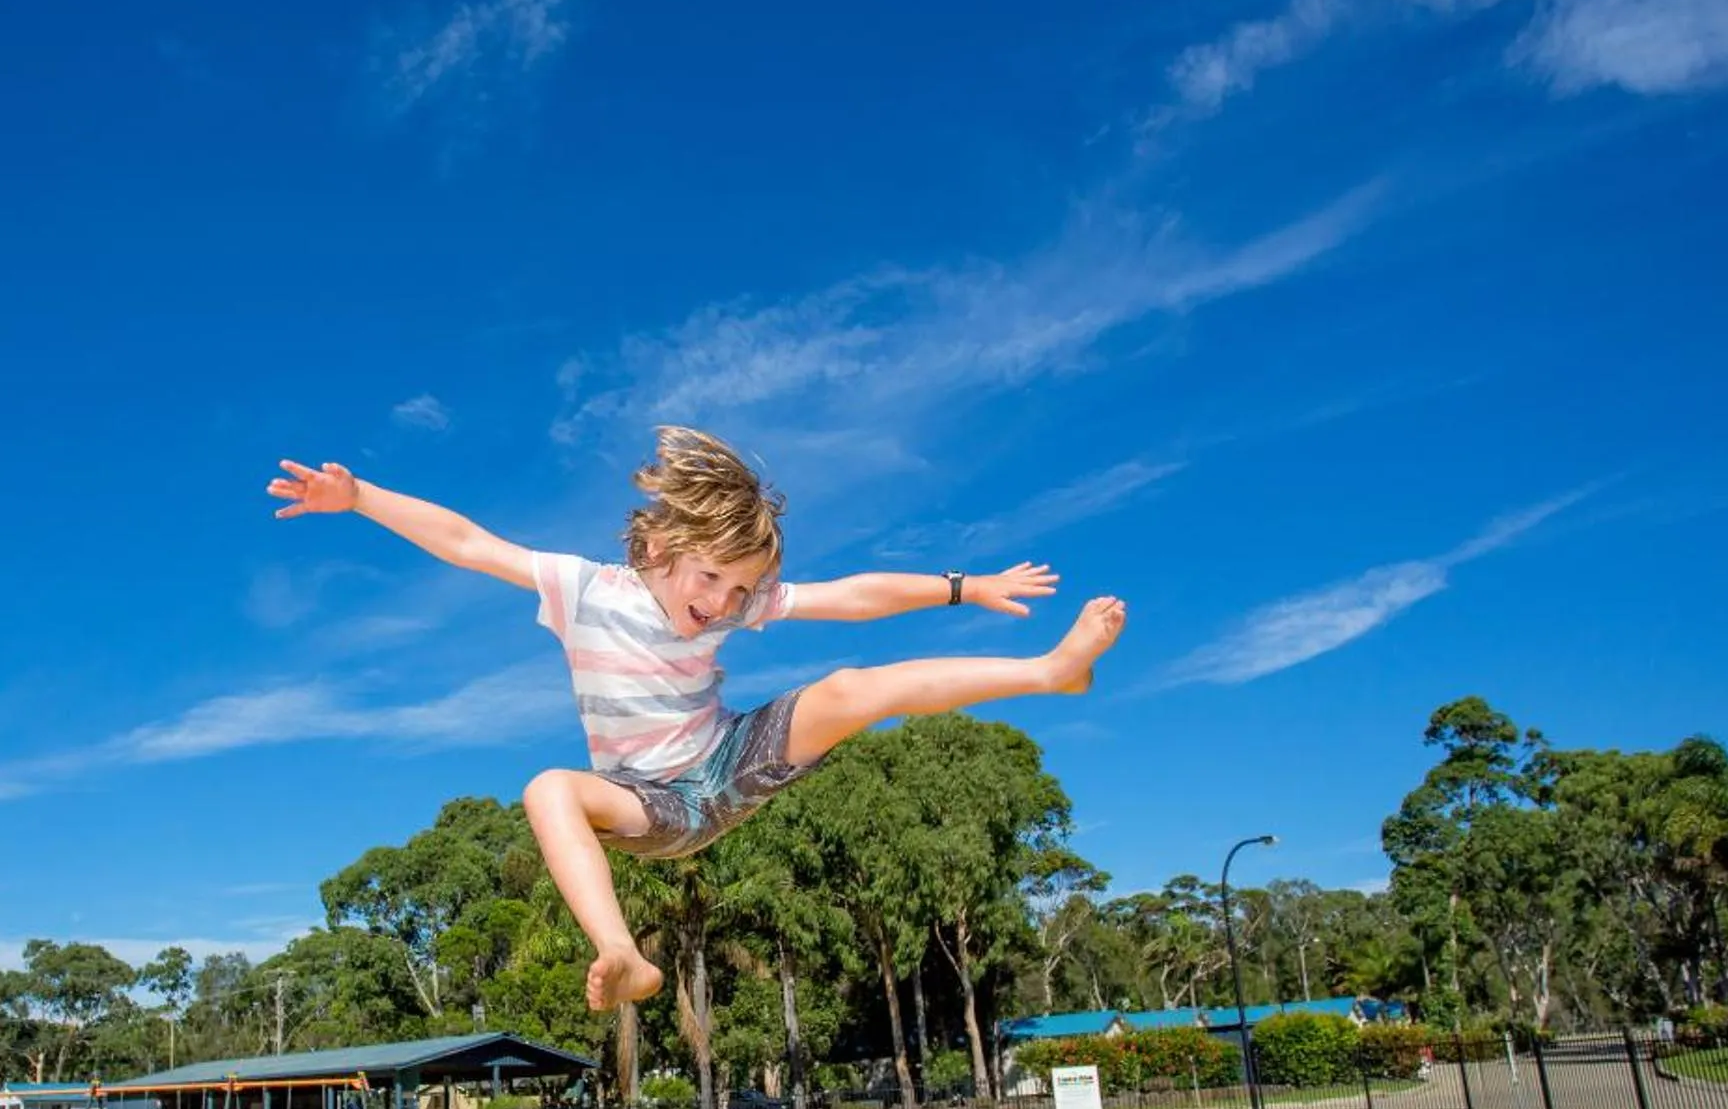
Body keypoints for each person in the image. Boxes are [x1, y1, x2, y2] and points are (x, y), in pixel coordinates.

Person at [267, 425, 1124, 1011]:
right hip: (652, 804)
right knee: (547, 788)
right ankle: (624, 952)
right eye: (710, 580)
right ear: (660, 550)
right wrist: (361, 497)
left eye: (742, 592)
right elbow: (466, 541)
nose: (722, 605)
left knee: (853, 688)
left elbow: (855, 597)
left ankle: (1052, 672)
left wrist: (967, 586)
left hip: (727, 757)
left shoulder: (734, 604)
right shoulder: (582, 587)